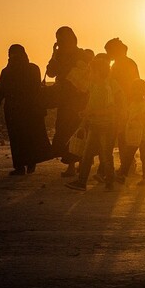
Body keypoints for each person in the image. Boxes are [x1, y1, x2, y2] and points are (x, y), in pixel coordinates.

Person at [0, 44, 52, 175]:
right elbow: (36, 90)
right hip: (31, 110)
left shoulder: (7, 71)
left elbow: (0, 92)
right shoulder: (33, 68)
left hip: (14, 111)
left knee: (17, 139)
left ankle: (20, 167)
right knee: (30, 136)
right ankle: (30, 162)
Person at [65, 54, 124, 191]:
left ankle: (109, 183)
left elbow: (110, 109)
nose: (90, 73)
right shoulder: (94, 87)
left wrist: (91, 113)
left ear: (98, 72)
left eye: (92, 71)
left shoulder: (105, 88)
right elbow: (91, 105)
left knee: (106, 156)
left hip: (106, 126)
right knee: (87, 154)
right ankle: (82, 182)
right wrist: (86, 115)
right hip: (95, 125)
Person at [45, 26, 92, 177]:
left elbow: (52, 72)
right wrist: (54, 53)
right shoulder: (77, 54)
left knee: (71, 131)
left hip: (74, 99)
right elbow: (51, 72)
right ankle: (77, 164)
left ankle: (74, 166)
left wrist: (55, 55)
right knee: (73, 132)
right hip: (72, 99)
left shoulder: (77, 54)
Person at [104, 38, 141, 173]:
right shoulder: (126, 63)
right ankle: (128, 164)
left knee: (124, 137)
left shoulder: (122, 64)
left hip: (125, 104)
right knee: (123, 137)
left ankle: (127, 165)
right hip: (124, 103)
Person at [116, 79, 145, 186]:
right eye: (134, 89)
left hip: (144, 136)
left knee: (144, 156)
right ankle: (122, 175)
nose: (135, 92)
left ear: (142, 91)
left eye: (138, 90)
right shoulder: (132, 104)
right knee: (129, 155)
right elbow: (127, 116)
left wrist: (140, 117)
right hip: (133, 134)